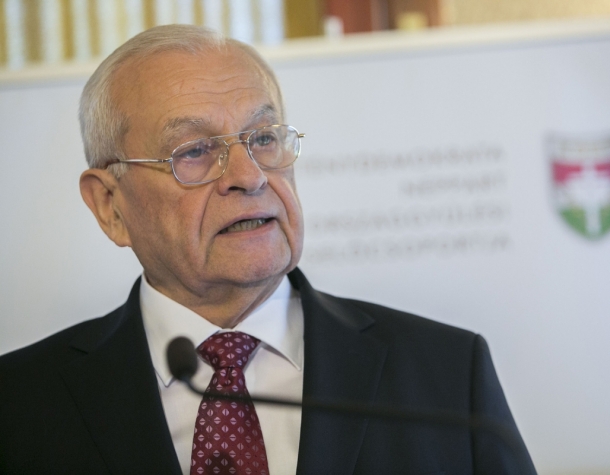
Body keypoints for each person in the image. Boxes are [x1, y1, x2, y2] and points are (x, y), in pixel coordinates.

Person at [0, 25, 536, 475]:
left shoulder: (447, 375)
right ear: (110, 206)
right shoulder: (19, 404)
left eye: (262, 138)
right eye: (195, 150)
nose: (249, 175)